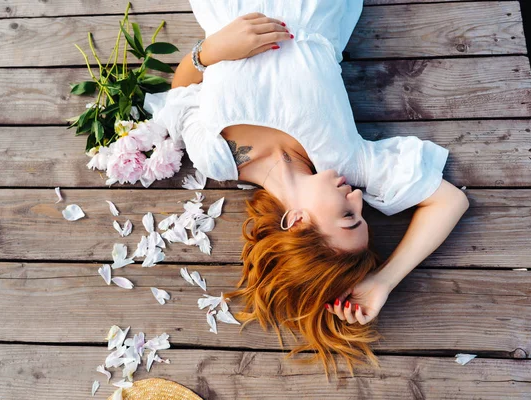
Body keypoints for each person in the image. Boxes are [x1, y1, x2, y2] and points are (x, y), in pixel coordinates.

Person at [144, 0, 469, 380]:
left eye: (348, 217)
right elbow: (450, 201)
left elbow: (180, 93)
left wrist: (209, 51)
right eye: (360, 212)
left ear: (297, 221)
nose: (358, 198)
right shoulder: (348, 161)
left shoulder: (215, 157)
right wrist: (382, 281)